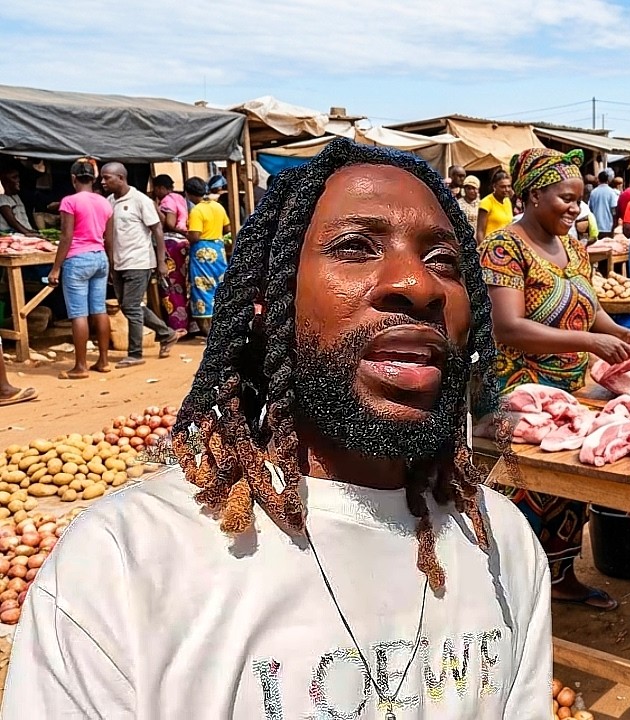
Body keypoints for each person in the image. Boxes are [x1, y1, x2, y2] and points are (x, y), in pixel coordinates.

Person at [5, 139, 551, 717]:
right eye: (355, 248)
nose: (419, 285)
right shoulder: (128, 561)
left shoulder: (504, 544)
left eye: (444, 260)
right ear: (269, 300)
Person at [479, 148, 630, 612]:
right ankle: (506, 591)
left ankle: (560, 576)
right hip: (518, 391)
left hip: (569, 387)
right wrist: (590, 342)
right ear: (532, 196)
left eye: (579, 200)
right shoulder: (503, 248)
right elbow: (507, 326)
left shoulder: (571, 245)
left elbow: (589, 306)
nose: (575, 208)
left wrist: (617, 333)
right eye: (565, 199)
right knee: (523, 490)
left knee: (569, 491)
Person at [99, 163, 180, 366]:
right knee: (129, 306)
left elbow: (158, 231)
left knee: (131, 306)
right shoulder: (109, 202)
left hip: (139, 261)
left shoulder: (140, 200)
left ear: (120, 177)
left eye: (106, 177)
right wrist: (110, 263)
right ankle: (166, 333)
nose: (102, 182)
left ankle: (135, 353)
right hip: (118, 263)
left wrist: (161, 262)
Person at [49, 160, 113, 379]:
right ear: (93, 179)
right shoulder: (105, 202)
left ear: (73, 178)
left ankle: (81, 366)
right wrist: (110, 263)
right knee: (99, 310)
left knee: (78, 314)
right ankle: (103, 361)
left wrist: (55, 268)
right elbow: (109, 237)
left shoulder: (69, 201)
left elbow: (66, 236)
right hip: (100, 258)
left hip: (77, 259)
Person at [185, 177, 231, 336]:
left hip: (202, 253)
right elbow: (227, 228)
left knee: (202, 288)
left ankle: (208, 331)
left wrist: (186, 233)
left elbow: (195, 236)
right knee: (219, 286)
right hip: (218, 250)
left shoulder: (196, 211)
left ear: (189, 194)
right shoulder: (218, 206)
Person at [152, 175, 191, 333]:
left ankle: (177, 325)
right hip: (182, 244)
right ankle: (190, 323)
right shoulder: (180, 198)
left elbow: (169, 223)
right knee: (183, 284)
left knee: (170, 285)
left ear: (161, 187)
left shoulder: (167, 200)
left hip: (171, 246)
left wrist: (156, 210)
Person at [476, 170, 514, 239]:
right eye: (503, 187)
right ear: (494, 186)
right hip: (490, 245)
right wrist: (482, 248)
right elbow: (480, 231)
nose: (507, 189)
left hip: (506, 244)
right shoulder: (486, 202)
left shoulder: (507, 201)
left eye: (509, 186)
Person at [0, 166, 35, 235]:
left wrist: (31, 231)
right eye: (14, 178)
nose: (18, 180)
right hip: (13, 235)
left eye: (18, 177)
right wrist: (27, 233)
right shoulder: (2, 199)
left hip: (25, 233)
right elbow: (12, 221)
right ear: (5, 181)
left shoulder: (16, 197)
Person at [587, 170, 620, 235]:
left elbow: (590, 209)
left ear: (598, 180)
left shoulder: (593, 192)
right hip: (608, 227)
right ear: (607, 180)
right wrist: (615, 224)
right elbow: (614, 210)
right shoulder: (611, 192)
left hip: (595, 227)